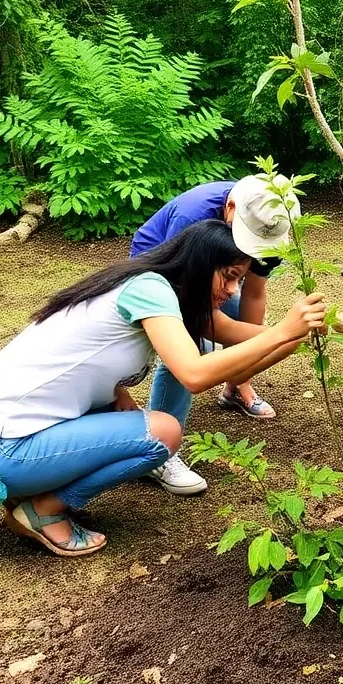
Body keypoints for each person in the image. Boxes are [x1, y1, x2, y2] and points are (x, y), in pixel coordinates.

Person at [0, 221, 337, 557]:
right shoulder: (151, 289)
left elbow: (242, 338)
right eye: (229, 276)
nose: (233, 291)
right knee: (164, 432)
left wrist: (315, 330)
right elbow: (194, 375)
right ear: (199, 264)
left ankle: (31, 491)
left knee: (136, 419)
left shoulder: (149, 290)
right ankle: (44, 507)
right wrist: (285, 331)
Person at [130, 175, 300, 494]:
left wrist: (242, 372)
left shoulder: (271, 224)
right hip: (161, 270)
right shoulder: (192, 217)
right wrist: (277, 337)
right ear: (230, 207)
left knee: (235, 317)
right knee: (189, 343)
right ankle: (160, 450)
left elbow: (253, 295)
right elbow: (198, 310)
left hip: (216, 273)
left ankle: (235, 390)